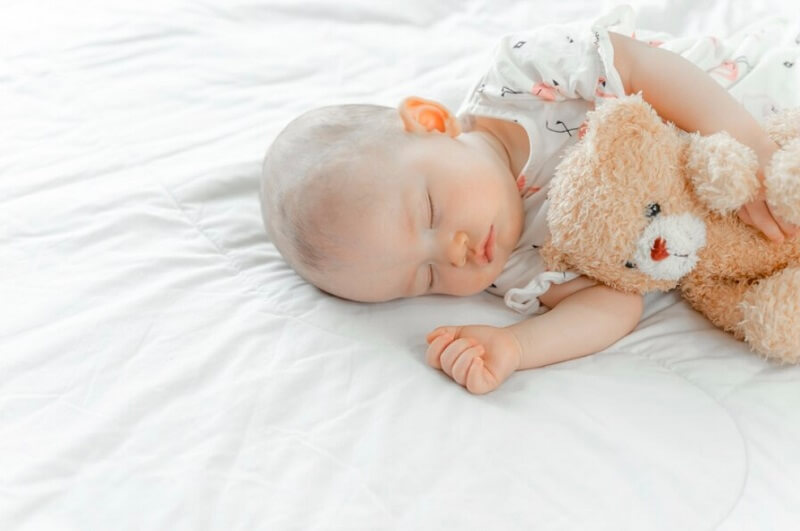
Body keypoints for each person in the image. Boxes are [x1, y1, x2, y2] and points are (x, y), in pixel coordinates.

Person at [261, 6, 799, 394]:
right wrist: (517, 346)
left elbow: (643, 68)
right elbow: (615, 302)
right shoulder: (517, 266)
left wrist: (747, 148)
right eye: (425, 277)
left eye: (429, 212)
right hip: (767, 231)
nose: (454, 253)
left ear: (431, 123)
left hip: (754, 100)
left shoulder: (521, 78)